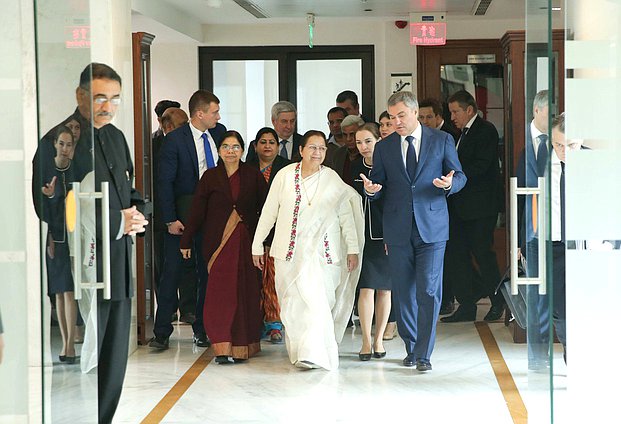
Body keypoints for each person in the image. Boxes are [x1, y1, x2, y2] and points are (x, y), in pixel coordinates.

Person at [361, 91, 466, 371]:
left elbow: (460, 176)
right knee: (403, 292)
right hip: (397, 229)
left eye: (401, 116)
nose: (396, 122)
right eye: (392, 117)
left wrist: (449, 185)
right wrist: (370, 191)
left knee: (428, 291)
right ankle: (410, 345)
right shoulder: (384, 147)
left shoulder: (441, 140)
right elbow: (378, 185)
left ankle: (424, 353)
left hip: (432, 228)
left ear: (415, 112)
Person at [252, 130, 364, 371]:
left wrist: (352, 249)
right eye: (312, 147)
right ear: (300, 150)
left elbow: (346, 217)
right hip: (289, 253)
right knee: (292, 304)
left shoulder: (332, 179)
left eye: (322, 148)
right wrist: (256, 244)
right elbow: (269, 211)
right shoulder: (284, 176)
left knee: (318, 303)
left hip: (323, 255)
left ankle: (314, 353)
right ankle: (300, 351)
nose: (317, 152)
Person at [75, 63, 148, 423]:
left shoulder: (116, 137)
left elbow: (128, 189)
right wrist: (117, 220)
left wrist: (138, 215)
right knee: (91, 353)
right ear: (82, 96)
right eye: (100, 98)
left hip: (118, 258)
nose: (108, 107)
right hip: (87, 265)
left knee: (116, 352)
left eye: (115, 99)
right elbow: (60, 208)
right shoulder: (67, 140)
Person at [180, 131, 267, 364]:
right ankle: (221, 347)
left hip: (246, 244)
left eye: (236, 147)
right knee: (219, 295)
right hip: (216, 245)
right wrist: (186, 240)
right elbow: (197, 211)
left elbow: (266, 210)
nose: (231, 151)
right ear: (219, 151)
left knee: (244, 293)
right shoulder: (210, 177)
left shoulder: (252, 176)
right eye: (226, 147)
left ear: (243, 150)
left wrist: (265, 242)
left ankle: (241, 347)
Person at [152, 90, 227, 350]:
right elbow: (164, 183)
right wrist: (170, 219)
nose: (218, 116)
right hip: (182, 215)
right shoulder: (174, 141)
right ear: (200, 114)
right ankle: (161, 331)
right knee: (172, 272)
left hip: (213, 215)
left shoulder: (220, 134)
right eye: (215, 112)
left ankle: (202, 329)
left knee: (206, 272)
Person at [442, 90, 504, 323]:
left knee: (483, 254)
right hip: (461, 207)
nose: (453, 117)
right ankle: (467, 304)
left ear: (469, 110)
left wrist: (455, 179)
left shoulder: (484, 130)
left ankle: (498, 301)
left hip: (480, 207)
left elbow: (481, 166)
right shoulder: (461, 134)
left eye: (455, 112)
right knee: (458, 255)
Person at [246, 127, 290, 343]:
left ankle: (275, 324)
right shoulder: (247, 169)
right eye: (263, 142)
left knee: (272, 279)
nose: (267, 146)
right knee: (253, 280)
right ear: (255, 146)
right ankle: (255, 322)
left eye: (272, 142)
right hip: (251, 229)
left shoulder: (287, 168)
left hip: (278, 231)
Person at [351, 123, 391, 361]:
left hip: (384, 235)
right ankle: (366, 340)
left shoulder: (389, 166)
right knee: (365, 288)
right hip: (360, 235)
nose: (363, 147)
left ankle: (379, 340)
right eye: (359, 142)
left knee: (385, 289)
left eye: (368, 141)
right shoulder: (354, 167)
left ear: (378, 140)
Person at [40, 125, 78, 364]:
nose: (65, 149)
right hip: (55, 237)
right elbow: (45, 210)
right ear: (55, 144)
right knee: (59, 292)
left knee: (70, 292)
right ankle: (65, 343)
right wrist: (51, 196)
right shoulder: (47, 170)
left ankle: (70, 345)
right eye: (61, 144)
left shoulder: (75, 171)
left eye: (69, 144)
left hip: (74, 236)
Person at [377, 110, 398, 340]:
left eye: (388, 123)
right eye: (381, 124)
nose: (384, 128)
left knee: (396, 278)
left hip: (398, 220)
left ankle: (393, 320)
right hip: (379, 219)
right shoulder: (381, 150)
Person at [327, 115, 364, 184]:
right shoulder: (338, 154)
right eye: (345, 135)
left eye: (352, 134)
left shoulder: (368, 153)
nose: (348, 139)